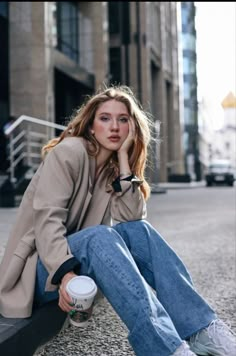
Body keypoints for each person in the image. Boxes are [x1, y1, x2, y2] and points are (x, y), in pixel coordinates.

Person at [0, 85, 235, 356]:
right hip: (37, 271)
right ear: (90, 127)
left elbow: (132, 218)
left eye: (123, 120)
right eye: (105, 118)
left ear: (131, 128)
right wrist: (65, 276)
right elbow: (47, 221)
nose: (114, 127)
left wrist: (124, 160)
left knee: (139, 232)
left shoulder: (112, 168)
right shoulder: (69, 152)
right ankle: (166, 349)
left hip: (77, 261)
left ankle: (202, 330)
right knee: (101, 236)